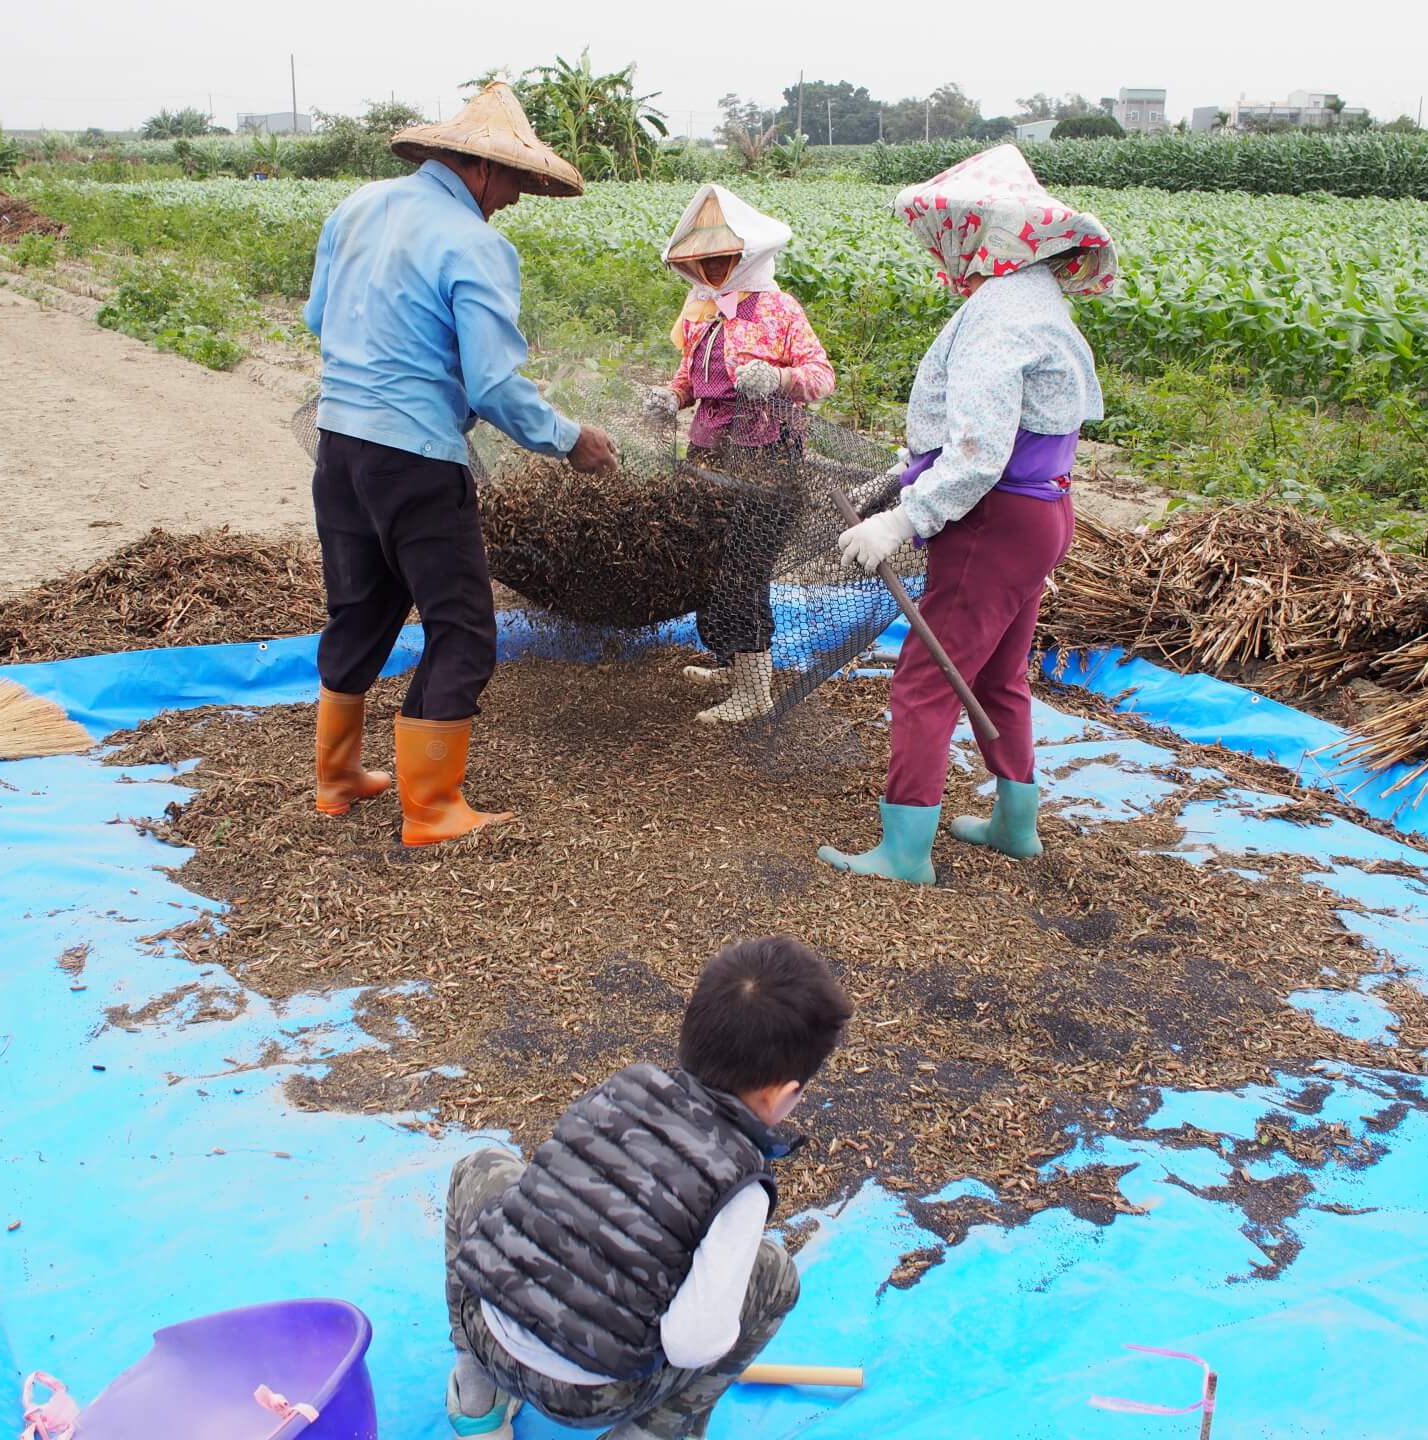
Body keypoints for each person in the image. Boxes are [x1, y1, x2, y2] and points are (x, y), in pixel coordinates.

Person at [303, 83, 619, 844]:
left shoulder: (358, 206)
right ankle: (433, 807)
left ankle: (337, 777)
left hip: (339, 443)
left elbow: (319, 318)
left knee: (363, 607)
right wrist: (571, 439)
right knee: (464, 627)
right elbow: (492, 385)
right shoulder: (475, 242)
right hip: (415, 457)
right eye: (514, 181)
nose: (513, 199)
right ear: (480, 169)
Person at [817, 145, 1117, 884]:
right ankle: (1016, 826)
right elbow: (1007, 435)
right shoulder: (1040, 300)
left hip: (991, 522)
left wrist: (906, 518)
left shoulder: (1000, 315)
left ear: (985, 238)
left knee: (925, 680)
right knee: (998, 677)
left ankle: (903, 851)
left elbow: (981, 454)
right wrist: (901, 476)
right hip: (1040, 518)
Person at [442, 936, 853, 1440]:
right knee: (774, 1273)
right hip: (589, 1397)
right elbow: (693, 1344)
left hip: (488, 1331)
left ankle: (477, 1395)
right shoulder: (739, 1182)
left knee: (478, 1166)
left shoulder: (625, 1085)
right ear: (784, 1094)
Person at [657, 185, 835, 724]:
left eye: (721, 259)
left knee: (745, 567)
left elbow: (821, 376)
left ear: (747, 256)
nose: (711, 269)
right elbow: (690, 378)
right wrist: (670, 397)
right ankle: (734, 664)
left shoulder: (779, 309)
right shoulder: (702, 312)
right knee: (710, 559)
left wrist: (778, 378)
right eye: (703, 261)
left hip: (768, 459)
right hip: (709, 457)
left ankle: (755, 691)